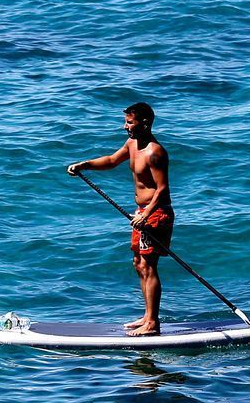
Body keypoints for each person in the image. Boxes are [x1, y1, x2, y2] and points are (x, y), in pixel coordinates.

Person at [67, 102, 173, 336]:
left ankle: (153, 323)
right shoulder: (132, 144)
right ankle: (147, 316)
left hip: (155, 213)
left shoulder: (155, 152)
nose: (125, 127)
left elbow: (162, 190)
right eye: (126, 122)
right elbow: (112, 160)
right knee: (138, 263)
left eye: (130, 122)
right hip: (141, 213)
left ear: (145, 123)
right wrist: (85, 165)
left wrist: (146, 214)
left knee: (149, 265)